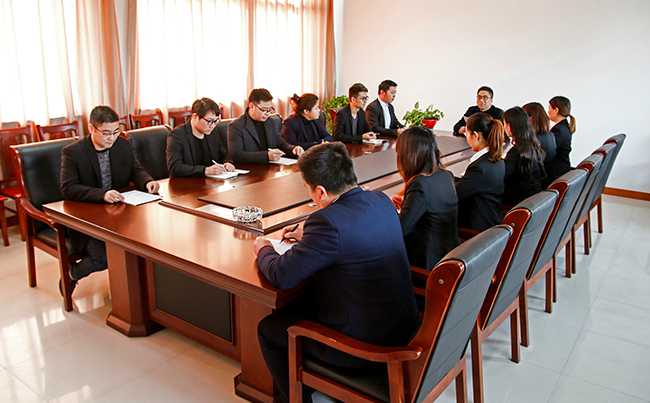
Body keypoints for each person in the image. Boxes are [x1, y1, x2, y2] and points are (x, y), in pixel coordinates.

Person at [254, 142, 418, 403]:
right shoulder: (380, 200)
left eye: (308, 189)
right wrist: (309, 235)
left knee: (269, 329)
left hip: (367, 347)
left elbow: (281, 275)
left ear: (320, 192)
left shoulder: (327, 223)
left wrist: (263, 248)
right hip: (403, 325)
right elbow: (351, 232)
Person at [60, 105, 159, 292]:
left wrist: (147, 182)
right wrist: (102, 194)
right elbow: (68, 188)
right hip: (88, 217)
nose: (111, 138)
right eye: (106, 133)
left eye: (115, 132)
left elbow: (136, 170)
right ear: (91, 128)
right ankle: (73, 272)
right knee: (106, 256)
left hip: (119, 213)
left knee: (147, 241)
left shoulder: (123, 145)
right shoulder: (73, 152)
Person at [392, 127, 459, 270]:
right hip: (447, 255)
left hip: (425, 266)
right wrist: (407, 204)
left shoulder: (419, 184)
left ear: (407, 156)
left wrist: (386, 210)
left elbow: (399, 231)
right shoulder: (446, 175)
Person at [455, 112, 505, 231]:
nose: (466, 136)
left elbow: (455, 195)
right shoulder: (497, 160)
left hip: (477, 229)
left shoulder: (479, 168)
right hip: (491, 219)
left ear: (476, 135)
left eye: (466, 133)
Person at [228, 88, 304, 164]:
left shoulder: (270, 121)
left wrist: (293, 149)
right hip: (249, 168)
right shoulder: (236, 126)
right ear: (251, 105)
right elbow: (236, 155)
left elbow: (280, 143)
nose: (267, 113)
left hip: (270, 167)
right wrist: (266, 156)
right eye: (264, 109)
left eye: (269, 109)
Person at [166, 97, 235, 177]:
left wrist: (227, 163)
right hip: (187, 183)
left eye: (215, 121)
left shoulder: (213, 132)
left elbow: (225, 154)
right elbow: (175, 168)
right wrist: (205, 170)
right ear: (195, 116)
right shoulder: (177, 135)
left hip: (213, 181)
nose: (212, 126)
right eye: (209, 121)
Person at [502, 107, 546, 205]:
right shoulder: (533, 144)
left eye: (504, 124)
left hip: (517, 202)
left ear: (509, 126)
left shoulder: (516, 152)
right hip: (533, 197)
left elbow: (503, 176)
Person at [546, 96, 576, 181]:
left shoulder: (558, 130)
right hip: (562, 169)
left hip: (556, 173)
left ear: (556, 110)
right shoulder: (564, 126)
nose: (548, 111)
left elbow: (548, 153)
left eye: (549, 108)